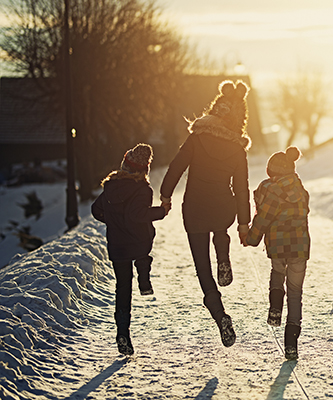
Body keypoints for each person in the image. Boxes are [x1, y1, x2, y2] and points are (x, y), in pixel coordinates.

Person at [160, 80, 252, 347]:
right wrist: (244, 224)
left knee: (202, 267)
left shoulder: (197, 138)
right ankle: (223, 253)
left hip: (195, 208)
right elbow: (243, 189)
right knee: (220, 229)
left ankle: (220, 315)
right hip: (224, 207)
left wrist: (166, 196)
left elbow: (176, 166)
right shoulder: (237, 149)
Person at [91, 143, 170, 356]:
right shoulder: (142, 189)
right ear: (144, 169)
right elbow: (137, 215)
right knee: (144, 246)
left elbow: (96, 210)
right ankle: (144, 276)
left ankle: (122, 334)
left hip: (118, 245)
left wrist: (115, 222)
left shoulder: (110, 187)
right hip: (138, 241)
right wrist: (161, 212)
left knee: (122, 288)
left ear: (124, 164)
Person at [244, 146, 310, 360]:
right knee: (295, 293)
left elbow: (264, 218)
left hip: (279, 246)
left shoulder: (271, 190)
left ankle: (275, 309)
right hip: (299, 247)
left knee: (277, 273)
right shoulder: (301, 190)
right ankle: (291, 343)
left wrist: (251, 239)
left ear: (271, 171)